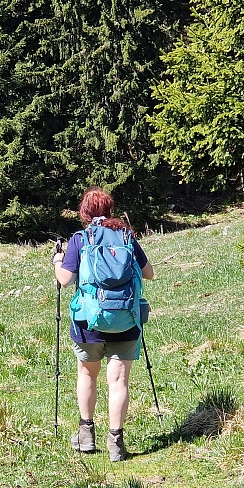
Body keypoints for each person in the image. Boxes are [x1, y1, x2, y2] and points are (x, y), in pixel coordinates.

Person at [52, 187, 154, 462]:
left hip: (89, 322)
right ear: (109, 210)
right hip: (127, 320)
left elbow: (64, 280)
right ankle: (116, 442)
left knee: (87, 375)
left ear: (84, 213)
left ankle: (86, 435)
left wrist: (57, 260)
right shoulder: (126, 236)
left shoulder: (80, 239)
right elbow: (149, 273)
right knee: (119, 380)